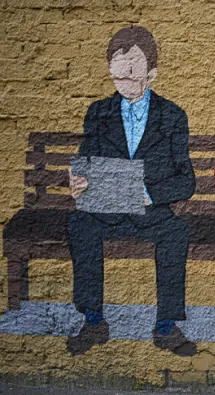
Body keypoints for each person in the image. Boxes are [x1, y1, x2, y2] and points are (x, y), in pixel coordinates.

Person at [66, 26, 196, 357]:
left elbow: (186, 180)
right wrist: (77, 175)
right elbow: (85, 159)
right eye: (118, 61)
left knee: (176, 232)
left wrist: (150, 194)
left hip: (149, 211)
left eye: (134, 61)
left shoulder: (172, 115)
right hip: (108, 209)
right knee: (79, 224)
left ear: (151, 72)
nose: (125, 69)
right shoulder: (99, 112)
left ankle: (166, 326)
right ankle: (94, 322)